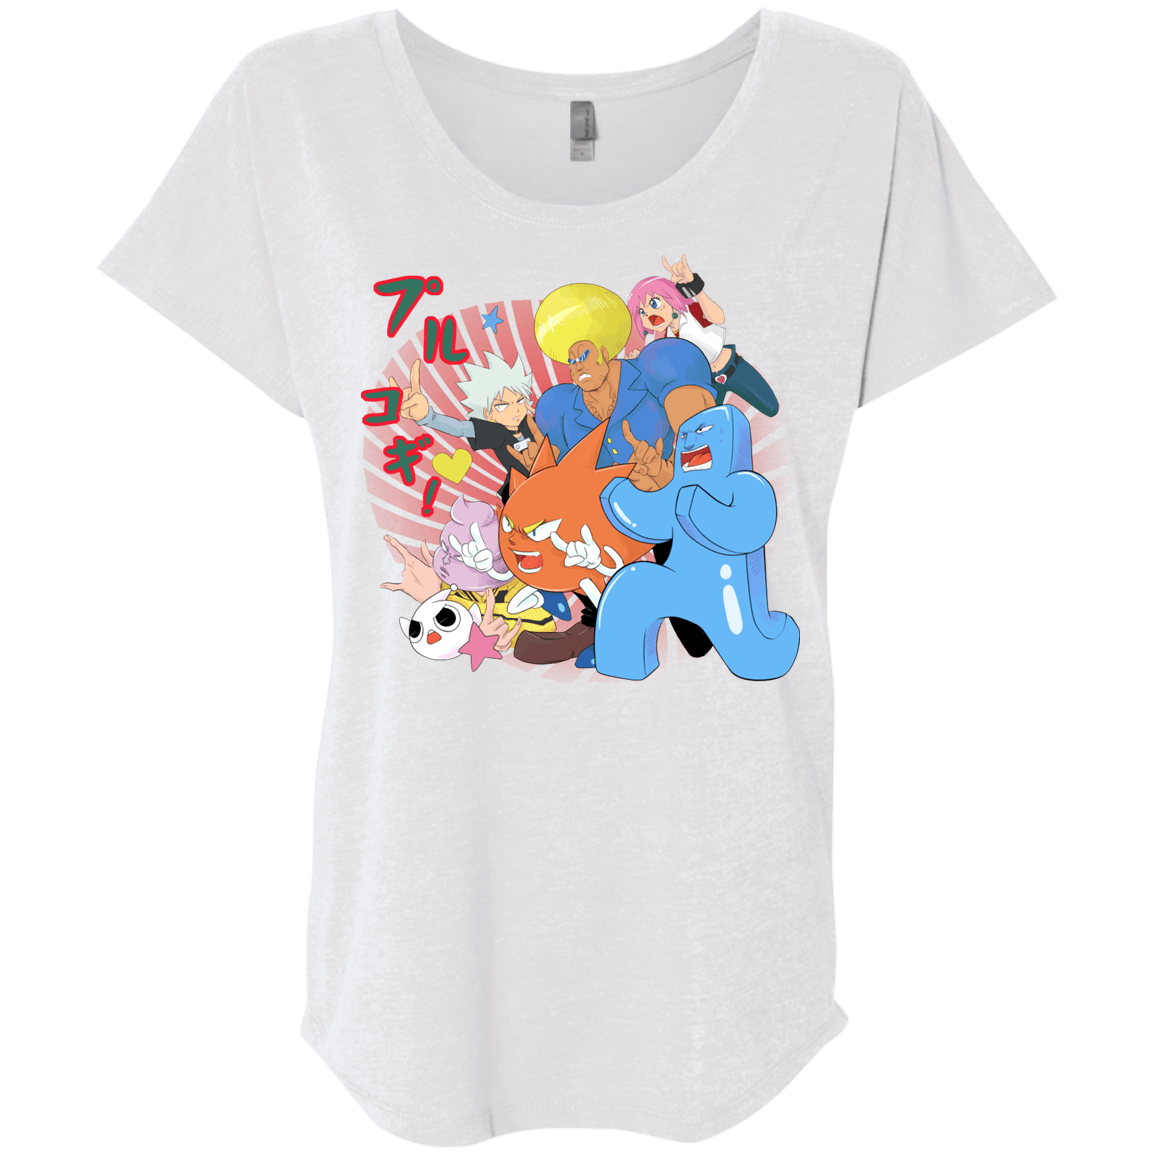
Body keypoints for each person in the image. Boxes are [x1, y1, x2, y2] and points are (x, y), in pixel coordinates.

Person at [532, 283, 717, 493]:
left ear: (604, 352)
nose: (578, 367)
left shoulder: (658, 363)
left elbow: (704, 446)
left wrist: (664, 474)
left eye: (584, 356)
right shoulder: (557, 407)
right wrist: (540, 469)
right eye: (572, 361)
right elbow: (565, 482)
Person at [625, 255, 780, 418]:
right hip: (708, 382)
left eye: (654, 304)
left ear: (670, 297)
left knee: (771, 408)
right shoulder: (666, 341)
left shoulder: (691, 312)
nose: (650, 315)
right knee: (705, 424)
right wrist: (639, 360)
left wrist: (695, 286)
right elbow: (661, 365)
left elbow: (718, 317)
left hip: (734, 368)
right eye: (642, 313)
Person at [397, 353, 545, 504]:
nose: (515, 409)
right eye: (502, 406)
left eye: (520, 401)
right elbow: (460, 428)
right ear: (488, 414)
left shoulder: (535, 422)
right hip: (519, 490)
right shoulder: (496, 432)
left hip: (550, 478)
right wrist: (428, 417)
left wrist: (547, 413)